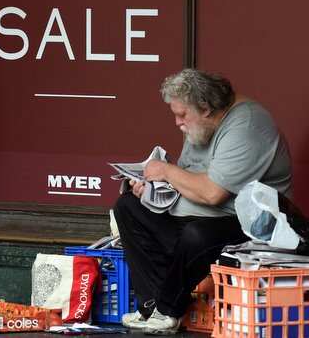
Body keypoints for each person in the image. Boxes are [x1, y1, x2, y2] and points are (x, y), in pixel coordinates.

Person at [113, 68, 292, 335]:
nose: (177, 122)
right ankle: (154, 307)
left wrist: (165, 171)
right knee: (127, 207)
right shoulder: (201, 125)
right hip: (196, 215)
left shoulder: (248, 125)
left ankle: (170, 309)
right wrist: (150, 187)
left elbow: (212, 193)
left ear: (205, 108)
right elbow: (187, 175)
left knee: (196, 234)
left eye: (182, 114)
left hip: (246, 222)